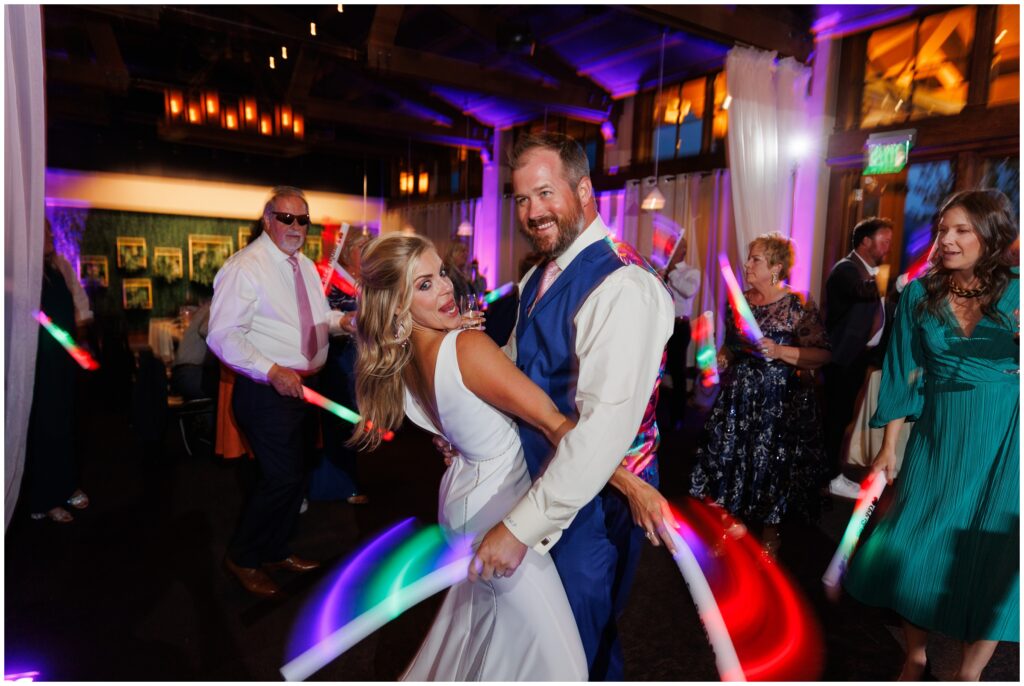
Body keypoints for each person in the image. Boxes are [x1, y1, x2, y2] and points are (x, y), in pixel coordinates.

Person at [468, 132, 676, 680]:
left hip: (597, 498)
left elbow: (602, 432)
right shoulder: (540, 271)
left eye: (545, 194)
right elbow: (518, 367)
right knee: (551, 635)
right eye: (521, 199)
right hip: (544, 475)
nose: (532, 212)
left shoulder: (624, 286)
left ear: (583, 191)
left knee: (576, 642)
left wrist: (518, 529)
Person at [350, 233, 587, 680]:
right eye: (423, 285)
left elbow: (455, 414)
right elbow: (553, 422)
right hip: (496, 510)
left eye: (441, 273)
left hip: (462, 499)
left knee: (490, 635)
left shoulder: (403, 358)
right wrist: (627, 476)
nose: (444, 287)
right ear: (397, 306)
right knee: (562, 664)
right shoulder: (464, 347)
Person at [844, 189, 1019, 681]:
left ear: (991, 234)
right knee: (909, 541)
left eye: (962, 230)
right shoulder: (920, 294)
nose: (947, 239)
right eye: (943, 229)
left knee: (993, 555)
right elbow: (902, 370)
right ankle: (916, 653)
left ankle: (970, 672)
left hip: (1006, 436)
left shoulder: (1020, 291)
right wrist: (887, 447)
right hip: (939, 433)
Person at [207, 186, 346, 598]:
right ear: (267, 219)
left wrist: (344, 324)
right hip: (265, 391)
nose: (296, 227)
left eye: (303, 220)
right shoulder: (245, 267)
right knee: (281, 479)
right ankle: (243, 557)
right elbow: (222, 335)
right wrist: (271, 371)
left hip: (304, 389)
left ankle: (275, 549)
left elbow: (318, 317)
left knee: (296, 476)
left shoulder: (302, 266)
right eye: (286, 218)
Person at [689, 232, 831, 557]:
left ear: (776, 268)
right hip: (740, 395)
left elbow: (822, 354)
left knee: (772, 464)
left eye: (756, 259)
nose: (747, 264)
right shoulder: (739, 302)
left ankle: (770, 530)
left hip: (778, 400)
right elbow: (732, 344)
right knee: (733, 457)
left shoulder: (798, 304)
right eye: (749, 257)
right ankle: (731, 522)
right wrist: (723, 356)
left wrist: (780, 350)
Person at [25, 219, 93, 523]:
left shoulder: (61, 266)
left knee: (65, 423)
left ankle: (66, 486)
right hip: (38, 364)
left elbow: (80, 307)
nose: (52, 235)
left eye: (51, 230)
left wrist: (77, 346)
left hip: (62, 361)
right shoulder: (20, 272)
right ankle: (45, 497)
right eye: (46, 231)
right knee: (42, 427)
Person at [823, 217, 894, 499]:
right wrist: (896, 281)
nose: (888, 247)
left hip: (859, 359)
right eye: (884, 240)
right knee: (835, 420)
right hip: (842, 359)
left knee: (843, 420)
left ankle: (832, 473)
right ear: (865, 241)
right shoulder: (846, 269)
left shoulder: (867, 270)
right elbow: (862, 291)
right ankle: (829, 477)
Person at [309, 232, 367, 506]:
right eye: (362, 248)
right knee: (339, 422)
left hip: (358, 357)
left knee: (353, 421)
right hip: (336, 357)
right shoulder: (330, 278)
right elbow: (321, 318)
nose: (367, 252)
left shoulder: (364, 279)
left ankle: (349, 481)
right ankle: (340, 484)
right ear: (347, 251)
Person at [663, 236, 702, 429]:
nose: (669, 249)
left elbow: (688, 291)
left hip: (679, 327)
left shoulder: (691, 272)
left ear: (683, 250)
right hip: (662, 325)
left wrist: (671, 273)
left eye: (674, 246)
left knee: (677, 371)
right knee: (655, 370)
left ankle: (678, 417)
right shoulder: (663, 271)